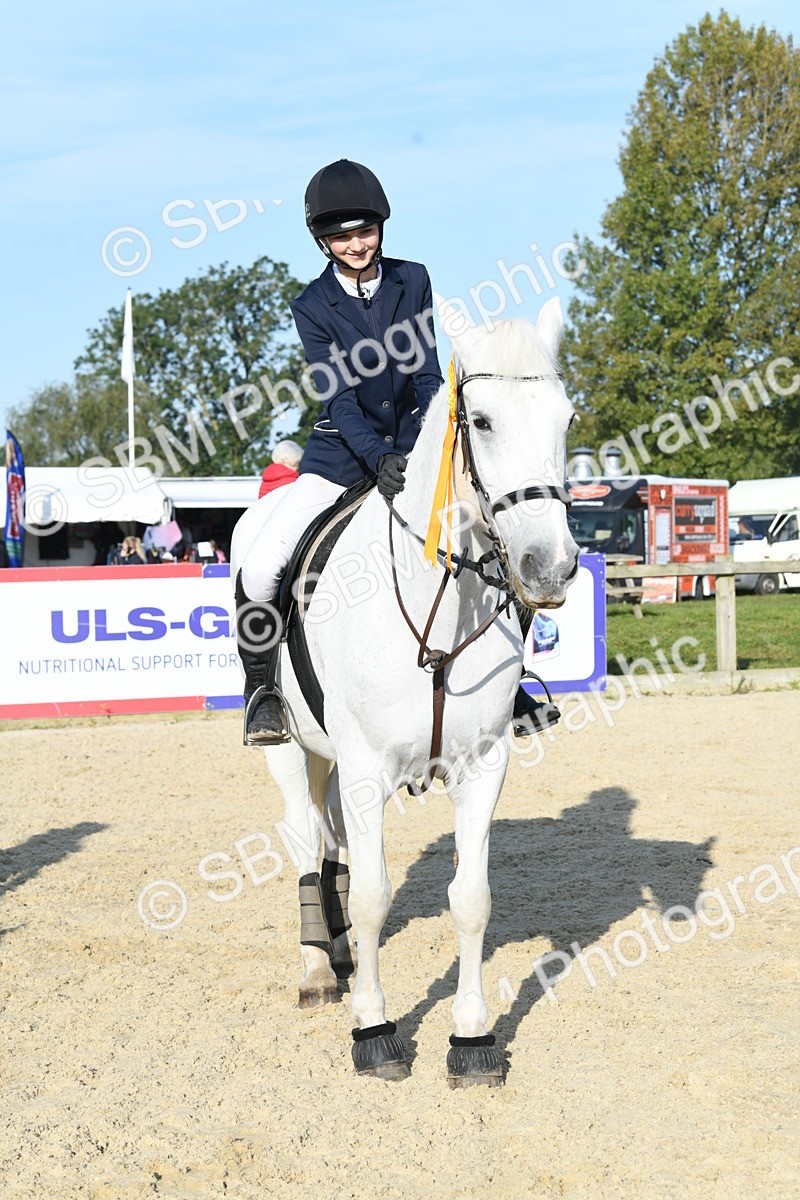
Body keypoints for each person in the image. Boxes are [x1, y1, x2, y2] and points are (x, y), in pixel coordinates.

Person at [237, 158, 555, 746]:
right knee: (260, 567)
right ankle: (264, 693)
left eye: (364, 231)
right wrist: (373, 456)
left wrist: (414, 450)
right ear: (321, 240)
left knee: (493, 536)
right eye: (340, 235)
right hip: (338, 457)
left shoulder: (414, 279)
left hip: (415, 452)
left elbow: (428, 376)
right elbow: (336, 397)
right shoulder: (311, 304)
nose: (355, 244)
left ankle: (510, 684)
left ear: (381, 226)